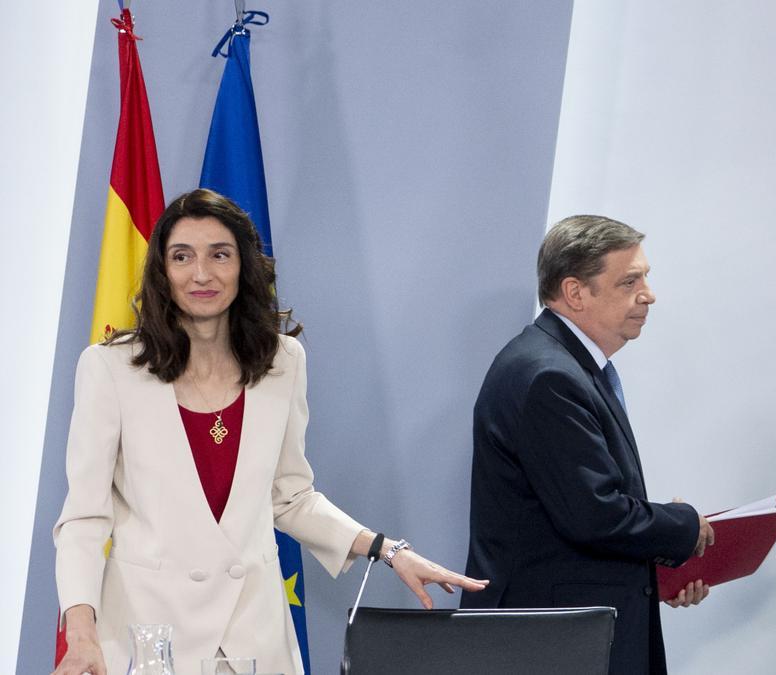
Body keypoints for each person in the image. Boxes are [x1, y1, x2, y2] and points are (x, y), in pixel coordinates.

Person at [52, 189, 487, 675]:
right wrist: (82, 634)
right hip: (149, 638)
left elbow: (291, 497)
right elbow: (84, 520)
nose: (201, 273)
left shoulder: (283, 361)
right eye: (182, 257)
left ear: (244, 266)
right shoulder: (111, 367)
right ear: (161, 271)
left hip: (254, 639)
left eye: (220, 254)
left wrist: (389, 550)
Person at [461, 215, 714, 675]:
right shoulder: (549, 376)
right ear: (576, 292)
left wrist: (662, 568)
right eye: (629, 281)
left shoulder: (564, 366)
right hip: (550, 643)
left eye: (646, 278)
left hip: (573, 632)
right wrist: (684, 527)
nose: (648, 294)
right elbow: (594, 516)